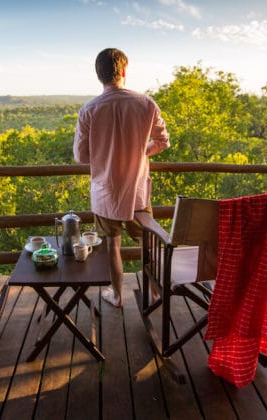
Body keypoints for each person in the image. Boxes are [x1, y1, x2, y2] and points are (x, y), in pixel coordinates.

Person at [73, 48, 170, 308]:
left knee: (112, 246)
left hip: (106, 192)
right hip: (137, 189)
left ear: (99, 76)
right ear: (124, 71)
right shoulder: (146, 103)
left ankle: (116, 296)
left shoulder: (88, 110)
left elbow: (81, 156)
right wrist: (141, 152)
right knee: (146, 243)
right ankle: (156, 291)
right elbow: (163, 141)